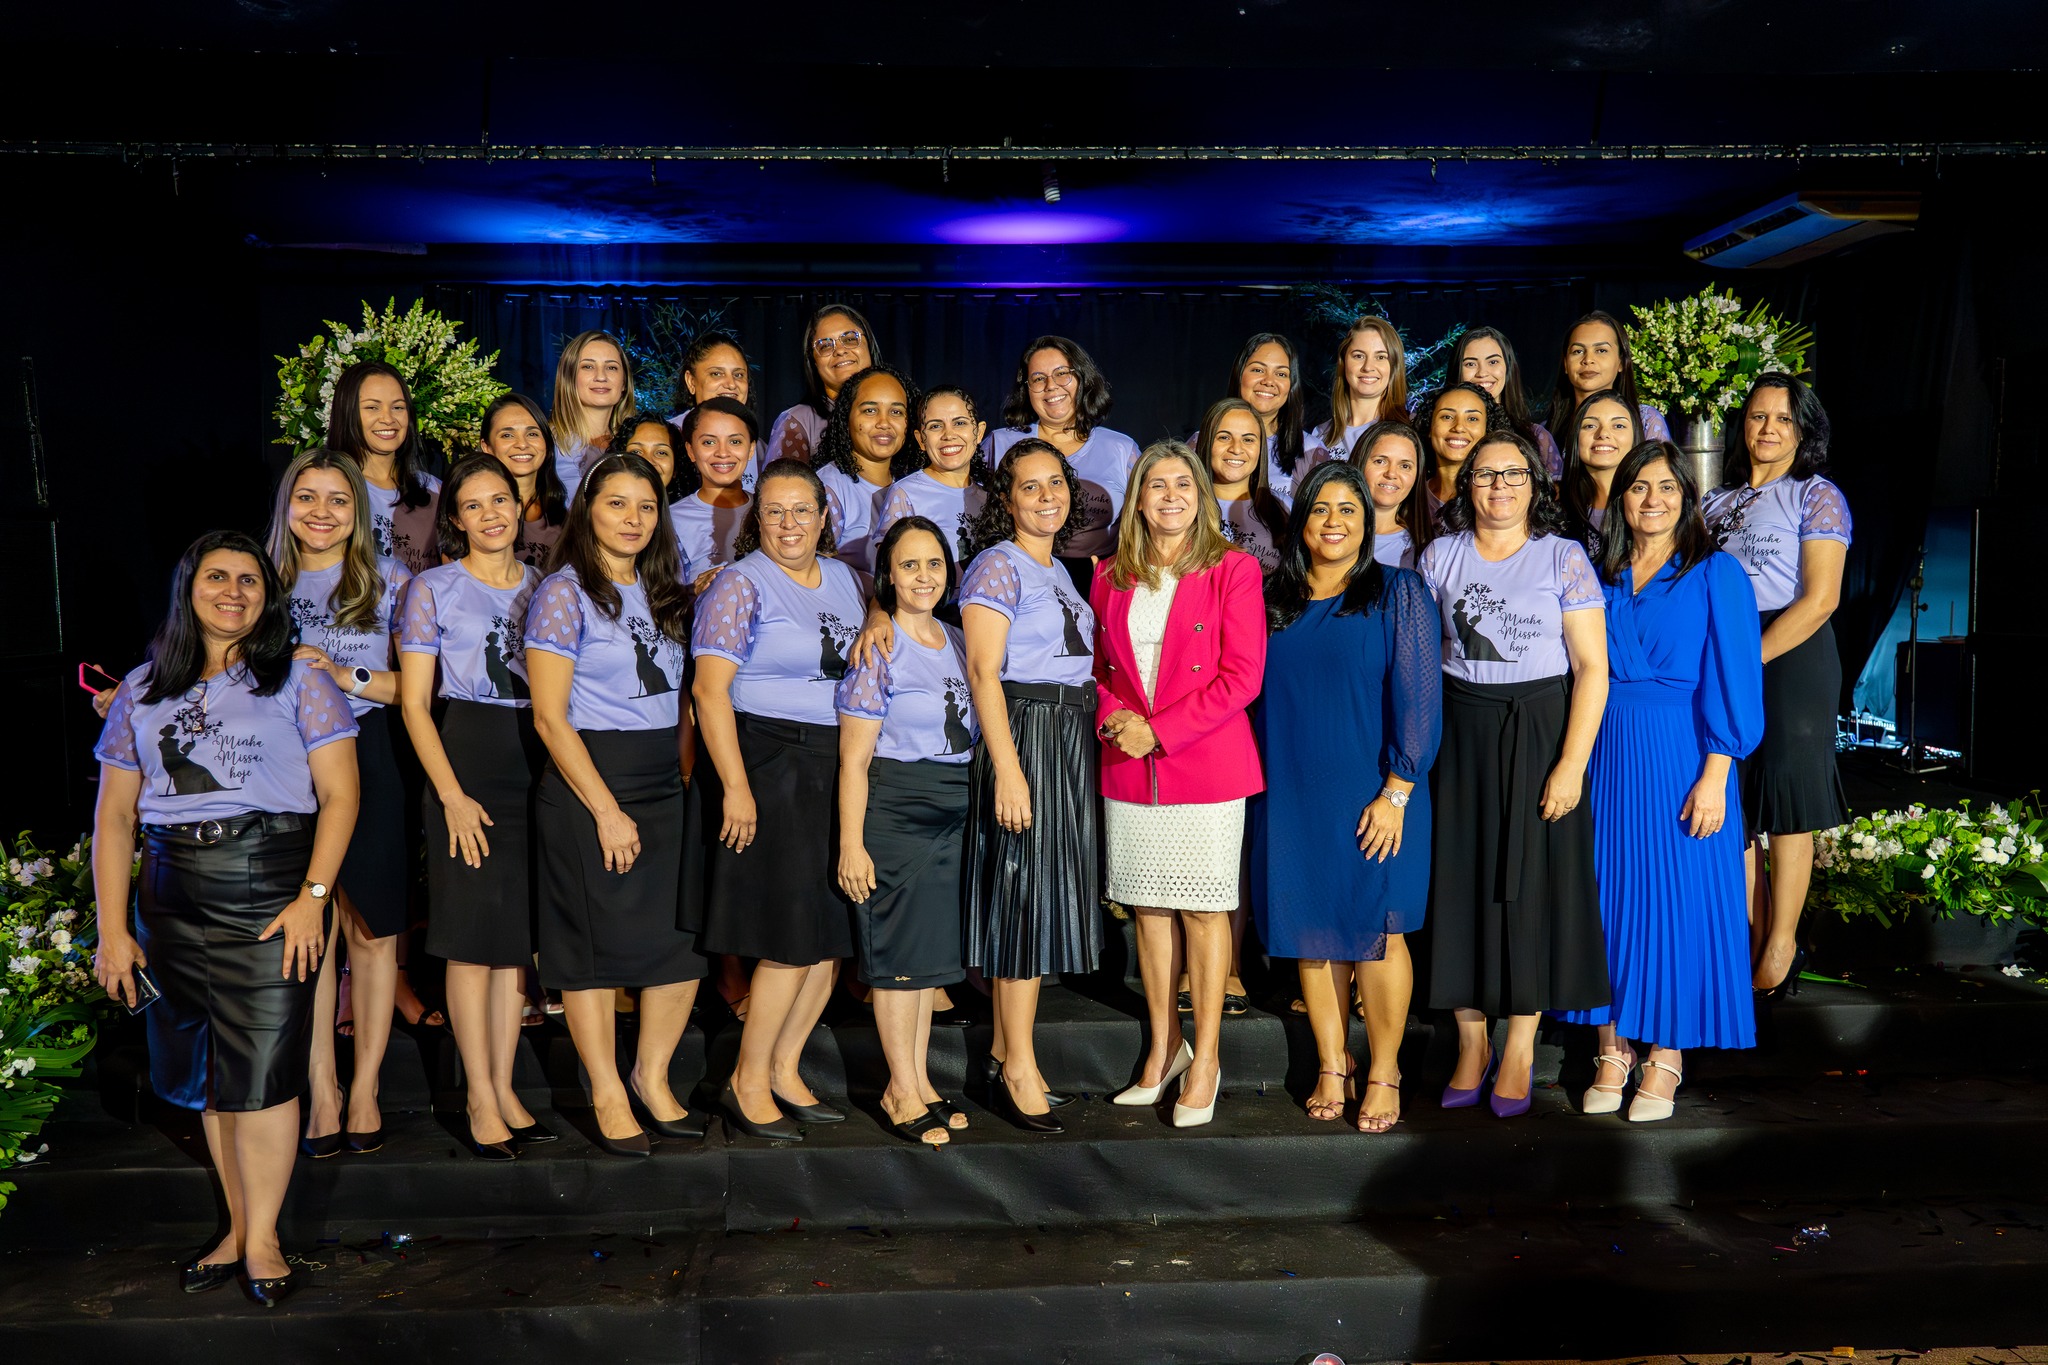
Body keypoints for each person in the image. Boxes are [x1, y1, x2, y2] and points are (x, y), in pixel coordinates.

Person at [91, 531, 359, 1307]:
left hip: (269, 881)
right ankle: (237, 1229)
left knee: (267, 1068)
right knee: (210, 1072)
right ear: (189, 588)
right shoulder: (142, 688)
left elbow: (340, 795)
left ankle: (267, 1234)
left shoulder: (299, 680)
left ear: (267, 597)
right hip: (172, 891)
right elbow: (114, 820)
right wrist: (115, 928)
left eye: (250, 579)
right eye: (218, 577)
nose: (235, 591)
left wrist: (312, 898)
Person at [1560, 441, 1765, 1121]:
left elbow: (1735, 679)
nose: (1652, 500)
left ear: (1687, 497)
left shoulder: (1717, 574)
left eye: (1666, 488)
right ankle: (1611, 1045)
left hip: (1686, 757)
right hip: (1609, 754)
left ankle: (1667, 1055)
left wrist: (1716, 773)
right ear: (1620, 498)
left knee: (1677, 906)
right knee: (1608, 902)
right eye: (1639, 487)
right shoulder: (1598, 573)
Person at [1419, 431, 1611, 1118]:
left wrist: (1570, 763)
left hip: (1540, 728)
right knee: (1462, 882)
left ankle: (1521, 1043)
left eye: (1513, 474)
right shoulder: (1438, 555)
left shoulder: (1563, 558)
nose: (1499, 486)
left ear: (1536, 485)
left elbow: (1592, 668)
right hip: (1461, 730)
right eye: (1484, 475)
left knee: (1532, 886)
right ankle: (1472, 1041)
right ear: (1466, 485)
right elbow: (1422, 657)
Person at [525, 452, 706, 1157]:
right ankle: (604, 1090)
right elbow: (548, 717)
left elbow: (684, 696)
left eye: (646, 505)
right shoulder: (565, 592)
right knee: (591, 951)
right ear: (588, 510)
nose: (632, 518)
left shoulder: (666, 590)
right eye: (616, 504)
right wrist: (605, 809)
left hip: (664, 780)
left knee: (679, 939)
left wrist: (685, 773)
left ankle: (652, 1077)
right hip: (589, 785)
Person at [1254, 462, 1441, 1132]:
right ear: (1301, 519)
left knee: (1377, 934)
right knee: (1313, 936)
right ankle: (1334, 1062)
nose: (1334, 522)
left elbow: (1419, 701)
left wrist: (1396, 789)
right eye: (1320, 508)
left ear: (1368, 520)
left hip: (1375, 793)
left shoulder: (1399, 592)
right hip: (1293, 796)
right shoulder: (1273, 599)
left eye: (1348, 510)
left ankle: (1384, 1066)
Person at [688, 458, 869, 1142]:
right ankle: (746, 1077)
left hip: (836, 763)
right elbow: (709, 693)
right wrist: (735, 784)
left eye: (802, 510)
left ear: (825, 517)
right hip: (770, 761)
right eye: (774, 511)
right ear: (754, 520)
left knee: (829, 938)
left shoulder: (850, 580)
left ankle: (787, 1068)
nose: (789, 524)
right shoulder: (739, 584)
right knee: (790, 940)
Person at [1091, 442, 1267, 1128]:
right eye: (1155, 484)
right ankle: (1163, 1048)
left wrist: (1158, 731)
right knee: (1148, 911)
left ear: (1201, 495)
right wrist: (1119, 723)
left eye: (1182, 484)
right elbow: (1100, 671)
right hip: (1130, 767)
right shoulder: (1109, 574)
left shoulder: (1233, 568)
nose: (1169, 495)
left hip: (1204, 764)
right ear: (1137, 497)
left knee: (1202, 909)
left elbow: (1242, 676)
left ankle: (1207, 1060)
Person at [398, 455, 549, 1159]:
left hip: (533, 755)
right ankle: (478, 1095)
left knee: (512, 941)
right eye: (475, 504)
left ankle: (507, 1083)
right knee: (470, 937)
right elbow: (415, 704)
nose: (492, 513)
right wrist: (452, 794)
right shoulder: (432, 589)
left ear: (520, 507)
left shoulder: (547, 586)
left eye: (502, 500)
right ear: (454, 518)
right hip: (466, 753)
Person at [265, 449, 414, 1158]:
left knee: (374, 928)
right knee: (310, 927)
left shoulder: (390, 582)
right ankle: (321, 1086)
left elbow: (417, 690)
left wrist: (340, 671)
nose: (321, 512)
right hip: (284, 768)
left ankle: (366, 1088)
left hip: (371, 753)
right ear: (285, 506)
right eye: (306, 497)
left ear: (359, 511)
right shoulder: (258, 583)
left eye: (337, 500)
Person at [958, 439, 1101, 1133]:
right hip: (1027, 734)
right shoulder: (996, 565)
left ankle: (1005, 1053)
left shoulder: (1059, 572)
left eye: (1056, 483)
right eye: (1030, 486)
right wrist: (1009, 768)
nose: (1046, 496)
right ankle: (1017, 1065)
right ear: (1006, 498)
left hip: (1067, 735)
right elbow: (985, 672)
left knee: (1039, 895)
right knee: (1022, 898)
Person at [1702, 373, 1851, 995]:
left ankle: (1782, 943)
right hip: (1725, 647)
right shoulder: (1714, 501)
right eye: (1758, 417)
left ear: (1803, 429)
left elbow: (1821, 599)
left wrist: (1750, 658)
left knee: (1786, 802)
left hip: (1791, 653)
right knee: (1734, 800)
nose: (1767, 429)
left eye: (1783, 419)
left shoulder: (1817, 496)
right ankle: (1744, 936)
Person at [834, 516, 978, 1145]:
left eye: (934, 564)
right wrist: (851, 843)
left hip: (953, 809)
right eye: (909, 565)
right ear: (887, 576)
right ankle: (898, 1088)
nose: (924, 576)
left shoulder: (955, 636)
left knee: (925, 962)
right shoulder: (878, 647)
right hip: (896, 810)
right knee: (895, 960)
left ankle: (918, 1082)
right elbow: (854, 761)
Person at [987, 336, 1142, 575]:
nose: (1051, 386)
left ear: (1081, 378)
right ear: (1026, 388)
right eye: (1038, 378)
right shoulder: (1000, 443)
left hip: (1099, 576)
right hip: (1021, 572)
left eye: (1062, 373)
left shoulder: (1122, 449)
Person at [326, 360, 443, 577]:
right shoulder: (330, 489)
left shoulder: (433, 488)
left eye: (398, 407)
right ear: (348, 412)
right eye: (372, 407)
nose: (388, 419)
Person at [816, 363, 919, 573]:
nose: (884, 422)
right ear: (847, 417)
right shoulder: (827, 486)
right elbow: (814, 569)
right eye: (870, 410)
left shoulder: (913, 482)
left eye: (896, 411)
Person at [875, 384, 990, 569]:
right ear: (921, 439)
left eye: (959, 423)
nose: (949, 435)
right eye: (936, 426)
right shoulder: (905, 493)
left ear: (979, 432)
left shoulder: (987, 495)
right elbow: (890, 570)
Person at [1544, 310, 1672, 456]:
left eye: (1601, 350)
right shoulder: (1546, 432)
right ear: (1566, 363)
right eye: (1578, 351)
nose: (1588, 359)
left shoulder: (1646, 421)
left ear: (1621, 362)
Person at [766, 303, 880, 466]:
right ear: (813, 361)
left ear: (869, 345)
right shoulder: (797, 422)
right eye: (825, 346)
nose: (840, 350)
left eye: (849, 339)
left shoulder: (898, 412)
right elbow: (780, 488)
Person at [671, 396, 757, 589]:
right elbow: (662, 596)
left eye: (735, 441)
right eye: (709, 443)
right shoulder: (671, 520)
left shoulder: (768, 508)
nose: (723, 453)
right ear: (691, 450)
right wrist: (694, 590)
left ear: (751, 449)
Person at [1453, 326, 1562, 477]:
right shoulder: (1445, 434)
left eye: (1493, 362)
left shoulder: (1536, 437)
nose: (1482, 373)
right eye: (1470, 364)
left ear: (1508, 367)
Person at [478, 393, 570, 571]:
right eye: (507, 435)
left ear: (547, 444)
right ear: (487, 447)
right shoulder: (472, 511)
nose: (522, 444)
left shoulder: (567, 515)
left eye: (532, 434)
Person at [1200, 396, 1290, 573]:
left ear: (1260, 448)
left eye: (1248, 439)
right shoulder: (1186, 505)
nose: (1236, 448)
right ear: (1206, 442)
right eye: (1224, 437)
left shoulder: (1285, 507)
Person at [1305, 316, 1410, 467]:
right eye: (1359, 356)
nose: (1368, 367)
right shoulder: (1321, 434)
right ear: (1344, 362)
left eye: (1380, 357)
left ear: (1394, 366)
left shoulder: (1411, 428)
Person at [1222, 332, 1313, 507]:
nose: (1269, 381)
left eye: (1281, 374)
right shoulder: (1203, 441)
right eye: (1258, 370)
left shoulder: (1311, 451)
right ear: (1239, 374)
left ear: (1291, 385)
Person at [1559, 389, 1645, 561]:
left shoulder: (1652, 504)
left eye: (1618, 426)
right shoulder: (1556, 510)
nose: (1603, 434)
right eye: (1590, 426)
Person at [549, 329, 636, 487]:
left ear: (624, 383)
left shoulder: (636, 444)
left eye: (611, 368)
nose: (601, 377)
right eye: (588, 367)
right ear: (569, 378)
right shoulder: (545, 444)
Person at [1352, 420, 1436, 572]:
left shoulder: (1427, 550)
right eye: (1380, 461)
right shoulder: (1330, 530)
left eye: (1405, 466)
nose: (1391, 473)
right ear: (1360, 462)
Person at [1420, 381, 1511, 522]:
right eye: (1447, 417)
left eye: (1472, 419)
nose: (1459, 427)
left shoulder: (1501, 494)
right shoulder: (1408, 494)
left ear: (1488, 430)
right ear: (1429, 426)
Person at [667, 331, 751, 433]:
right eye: (716, 374)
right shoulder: (667, 438)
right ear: (691, 381)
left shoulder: (758, 446)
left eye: (738, 375)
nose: (732, 384)